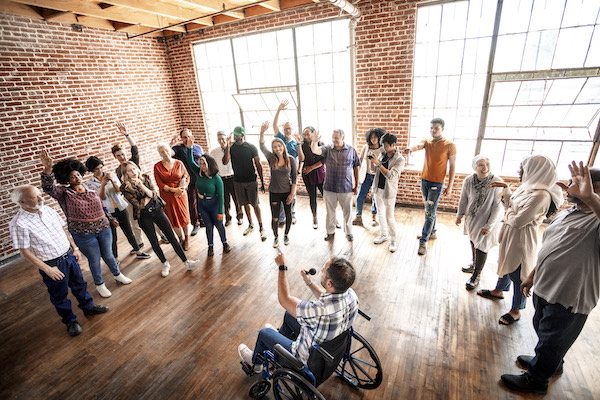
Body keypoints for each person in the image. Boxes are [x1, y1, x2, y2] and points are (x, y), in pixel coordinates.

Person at [500, 163, 600, 395]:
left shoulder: (595, 221)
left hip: (569, 296)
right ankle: (550, 362)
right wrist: (532, 275)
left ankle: (536, 380)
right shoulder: (568, 212)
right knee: (544, 332)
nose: (567, 186)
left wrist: (592, 198)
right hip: (545, 287)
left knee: (552, 339)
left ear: (594, 188)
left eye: (574, 183)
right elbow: (550, 248)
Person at [9, 185, 109, 337]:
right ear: (22, 202)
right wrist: (47, 269)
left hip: (68, 255)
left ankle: (88, 307)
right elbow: (25, 251)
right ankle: (70, 321)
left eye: (39, 194)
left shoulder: (48, 210)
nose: (41, 198)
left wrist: (75, 248)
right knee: (59, 295)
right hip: (51, 264)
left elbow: (63, 230)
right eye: (35, 197)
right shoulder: (18, 223)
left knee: (80, 285)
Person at [237, 250, 358, 372]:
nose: (321, 271)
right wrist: (309, 282)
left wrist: (282, 267)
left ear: (330, 284)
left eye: (323, 270)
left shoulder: (319, 311)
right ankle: (278, 344)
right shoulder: (351, 295)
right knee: (289, 314)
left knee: (264, 332)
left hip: (305, 358)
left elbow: (284, 300)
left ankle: (256, 364)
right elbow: (327, 299)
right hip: (331, 348)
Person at [477, 155, 563, 325]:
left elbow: (518, 221)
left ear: (536, 170)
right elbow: (511, 207)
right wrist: (507, 190)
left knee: (518, 272)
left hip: (522, 239)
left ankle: (516, 309)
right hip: (512, 234)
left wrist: (510, 213)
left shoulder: (541, 196)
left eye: (523, 168)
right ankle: (498, 290)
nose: (519, 171)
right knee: (506, 264)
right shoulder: (527, 188)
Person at [40, 151, 132, 298]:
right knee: (94, 259)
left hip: (104, 228)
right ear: (66, 179)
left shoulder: (90, 190)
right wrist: (47, 169)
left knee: (108, 255)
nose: (76, 177)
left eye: (78, 174)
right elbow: (48, 188)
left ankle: (118, 274)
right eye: (72, 176)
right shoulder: (64, 193)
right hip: (84, 235)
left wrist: (110, 218)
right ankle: (99, 284)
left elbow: (102, 206)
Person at [120, 161, 199, 277]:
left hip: (157, 210)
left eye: (134, 169)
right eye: (130, 171)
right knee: (154, 242)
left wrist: (142, 186)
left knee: (172, 237)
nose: (133, 172)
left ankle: (186, 262)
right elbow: (138, 205)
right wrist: (148, 195)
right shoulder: (124, 188)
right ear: (125, 174)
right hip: (143, 216)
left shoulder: (145, 178)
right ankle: (165, 263)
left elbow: (154, 195)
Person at [404, 118, 456, 256]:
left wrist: (450, 186)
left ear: (442, 129)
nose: (433, 130)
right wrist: (410, 149)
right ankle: (432, 232)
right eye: (431, 128)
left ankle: (423, 241)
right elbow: (419, 145)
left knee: (429, 212)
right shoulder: (427, 141)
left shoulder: (450, 144)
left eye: (436, 128)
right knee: (430, 210)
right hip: (424, 181)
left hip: (437, 183)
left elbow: (452, 167)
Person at [84, 156, 150, 260]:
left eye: (101, 167)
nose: (100, 170)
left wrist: (112, 181)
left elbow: (120, 191)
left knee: (129, 232)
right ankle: (115, 258)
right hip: (107, 212)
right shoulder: (89, 184)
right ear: (91, 170)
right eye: (96, 169)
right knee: (112, 237)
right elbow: (100, 198)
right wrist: (103, 184)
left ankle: (138, 251)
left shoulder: (112, 175)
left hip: (121, 207)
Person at [455, 156, 504, 290]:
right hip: (472, 218)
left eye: (487, 164)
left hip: (487, 220)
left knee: (482, 246)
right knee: (473, 240)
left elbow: (498, 206)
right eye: (481, 165)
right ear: (474, 167)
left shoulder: (496, 181)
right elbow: (464, 198)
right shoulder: (469, 180)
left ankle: (477, 275)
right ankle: (474, 264)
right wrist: (460, 215)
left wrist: (489, 226)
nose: (485, 168)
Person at [309, 129, 360, 242]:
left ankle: (349, 232)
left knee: (347, 212)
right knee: (330, 212)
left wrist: (356, 185)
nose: (334, 140)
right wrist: (314, 142)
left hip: (346, 188)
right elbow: (315, 150)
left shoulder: (351, 150)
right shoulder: (327, 149)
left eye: (336, 138)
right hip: (329, 187)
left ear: (342, 138)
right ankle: (330, 232)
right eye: (333, 137)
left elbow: (356, 167)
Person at [185, 143, 231, 257]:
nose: (201, 166)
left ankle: (225, 243)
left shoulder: (216, 178)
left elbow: (221, 196)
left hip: (214, 204)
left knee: (219, 225)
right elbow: (190, 162)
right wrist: (190, 148)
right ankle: (210, 246)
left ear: (209, 164)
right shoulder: (198, 173)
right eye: (200, 163)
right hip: (202, 204)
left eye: (203, 164)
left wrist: (221, 212)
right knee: (208, 227)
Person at [224, 126, 267, 241]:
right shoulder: (231, 147)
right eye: (234, 135)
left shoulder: (251, 147)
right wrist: (228, 145)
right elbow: (225, 161)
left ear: (243, 135)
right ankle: (250, 224)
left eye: (237, 135)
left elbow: (258, 164)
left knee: (255, 204)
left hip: (251, 180)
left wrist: (262, 181)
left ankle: (261, 227)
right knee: (244, 204)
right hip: (238, 181)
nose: (235, 137)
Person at [259, 121, 298, 248]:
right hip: (274, 192)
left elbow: (294, 178)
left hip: (287, 192)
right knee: (275, 218)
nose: (277, 149)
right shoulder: (271, 158)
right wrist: (262, 132)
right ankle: (276, 237)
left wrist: (292, 194)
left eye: (279, 146)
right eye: (275, 147)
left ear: (283, 146)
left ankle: (286, 235)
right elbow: (261, 146)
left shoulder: (291, 159)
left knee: (288, 215)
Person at [110, 122, 144, 244]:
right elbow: (121, 188)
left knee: (150, 218)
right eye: (118, 155)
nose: (122, 157)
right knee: (134, 221)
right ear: (115, 157)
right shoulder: (117, 171)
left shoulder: (133, 162)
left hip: (142, 193)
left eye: (123, 154)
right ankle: (139, 242)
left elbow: (134, 148)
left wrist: (127, 135)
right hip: (130, 198)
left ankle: (162, 235)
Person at [371, 133, 405, 253]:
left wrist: (378, 163)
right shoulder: (383, 154)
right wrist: (374, 162)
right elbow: (377, 170)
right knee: (380, 213)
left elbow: (391, 175)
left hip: (389, 191)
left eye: (385, 145)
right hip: (377, 188)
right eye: (383, 144)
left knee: (389, 217)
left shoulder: (400, 159)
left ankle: (393, 240)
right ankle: (384, 234)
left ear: (393, 145)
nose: (383, 147)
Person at [154, 143, 191, 250]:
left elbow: (186, 176)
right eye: (162, 152)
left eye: (166, 150)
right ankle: (181, 238)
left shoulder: (179, 163)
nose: (165, 153)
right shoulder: (157, 166)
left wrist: (182, 188)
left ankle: (187, 238)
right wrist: (173, 189)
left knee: (184, 216)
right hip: (167, 196)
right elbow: (159, 184)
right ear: (159, 154)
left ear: (169, 150)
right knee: (172, 217)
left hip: (181, 194)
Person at [172, 128, 205, 235]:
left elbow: (203, 161)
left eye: (189, 136)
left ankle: (203, 220)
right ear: (181, 138)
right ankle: (195, 224)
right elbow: (168, 154)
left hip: (200, 178)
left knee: (202, 200)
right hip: (187, 180)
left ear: (192, 137)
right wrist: (170, 144)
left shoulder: (198, 147)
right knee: (192, 202)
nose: (187, 139)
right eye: (184, 137)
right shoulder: (177, 148)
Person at [273, 100, 299, 225]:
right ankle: (282, 217)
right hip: (281, 172)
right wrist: (278, 109)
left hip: (291, 172)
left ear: (292, 129)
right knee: (282, 194)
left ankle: (292, 214)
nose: (287, 131)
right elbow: (274, 125)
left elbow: (300, 157)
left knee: (292, 194)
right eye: (286, 129)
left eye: (289, 129)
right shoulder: (280, 138)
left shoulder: (295, 142)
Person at [209, 131, 243, 226]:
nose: (221, 141)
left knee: (237, 199)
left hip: (233, 177)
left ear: (227, 139)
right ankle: (228, 218)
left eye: (223, 138)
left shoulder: (234, 149)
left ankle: (239, 217)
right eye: (219, 139)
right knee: (225, 200)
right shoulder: (214, 152)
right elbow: (212, 166)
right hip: (222, 179)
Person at [353, 128, 385, 227]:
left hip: (378, 176)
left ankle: (374, 218)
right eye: (371, 137)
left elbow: (385, 163)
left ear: (379, 137)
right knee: (360, 196)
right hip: (366, 175)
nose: (373, 139)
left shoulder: (383, 149)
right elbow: (360, 159)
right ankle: (358, 217)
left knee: (375, 197)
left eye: (375, 137)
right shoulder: (366, 147)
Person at [296, 126, 325, 229]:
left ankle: (333, 218)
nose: (306, 136)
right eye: (305, 134)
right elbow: (301, 159)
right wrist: (299, 145)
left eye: (308, 134)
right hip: (308, 176)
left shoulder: (321, 144)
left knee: (326, 197)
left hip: (320, 174)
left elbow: (323, 160)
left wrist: (311, 167)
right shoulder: (302, 146)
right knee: (312, 197)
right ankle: (315, 217)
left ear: (313, 133)